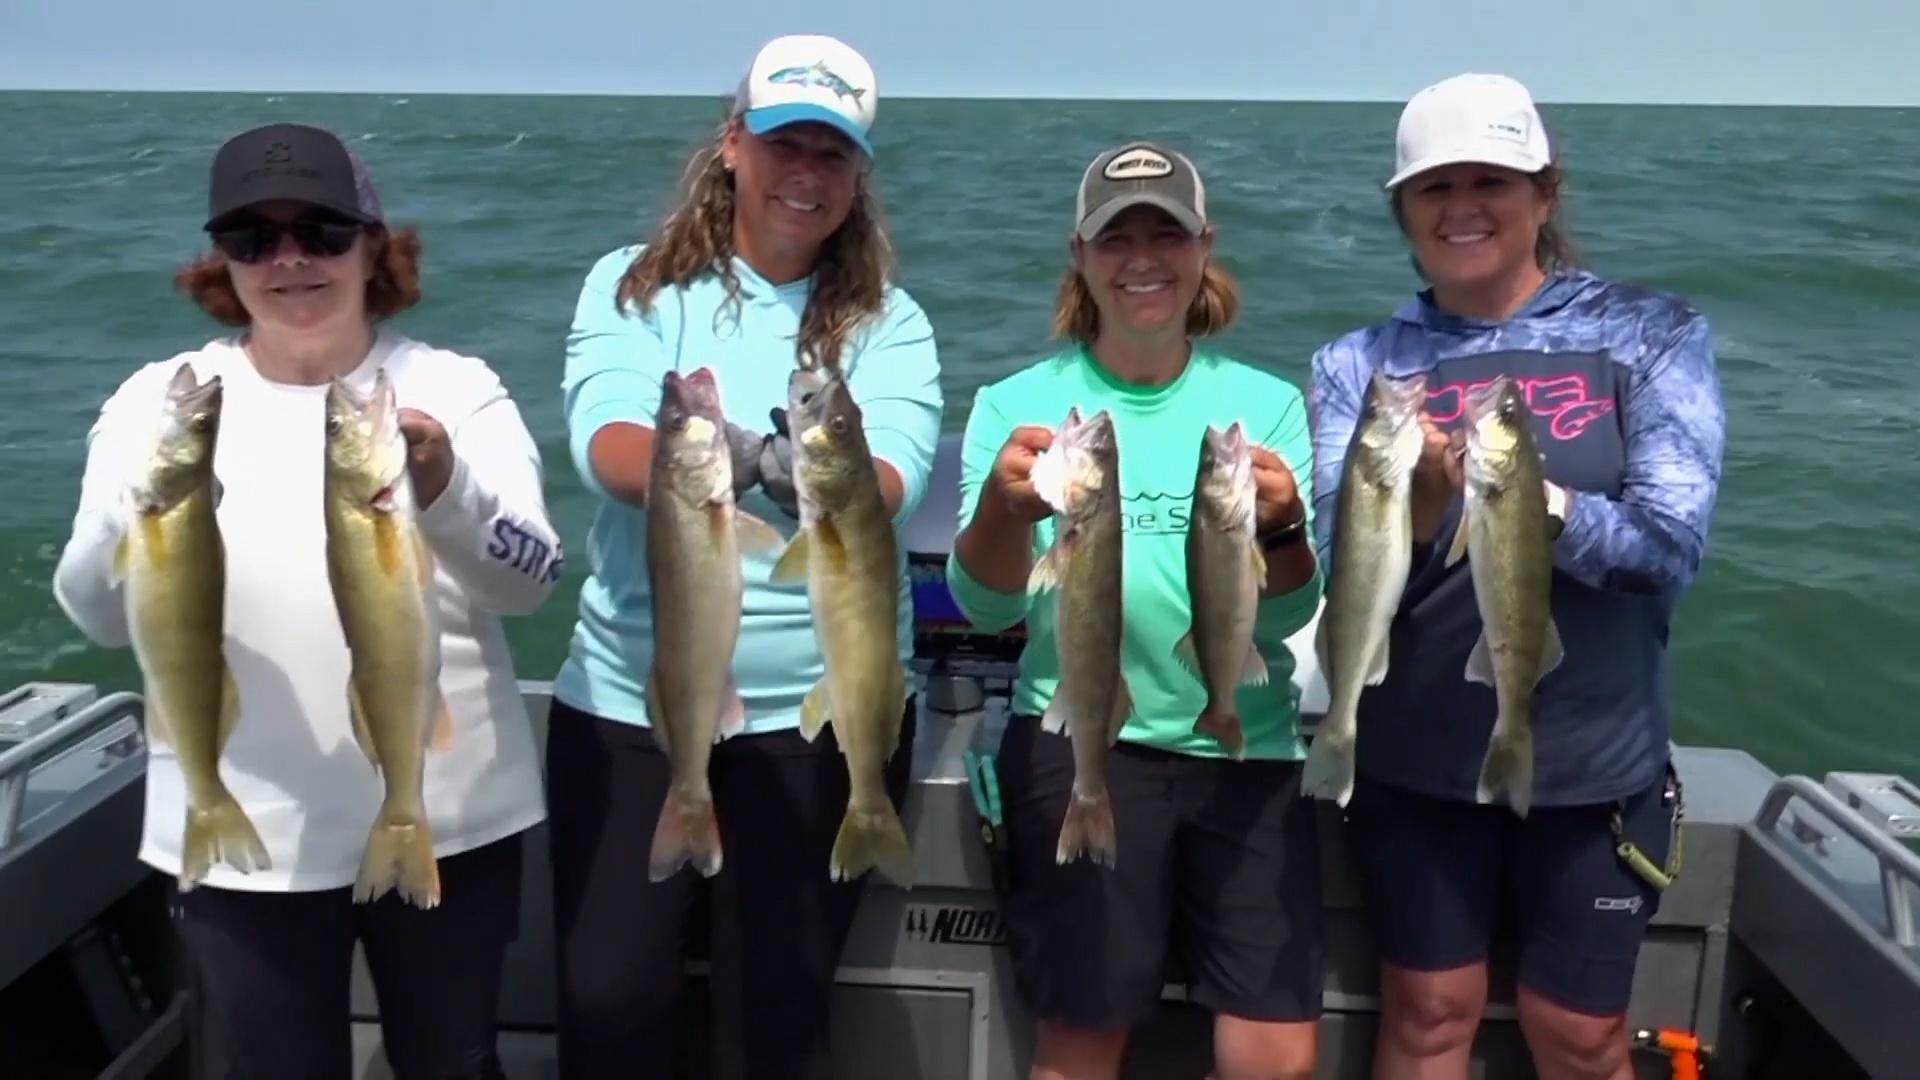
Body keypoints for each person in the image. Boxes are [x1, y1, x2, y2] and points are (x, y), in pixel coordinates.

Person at [50, 121, 562, 1080]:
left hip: (449, 819)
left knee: (455, 1063)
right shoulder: (157, 405)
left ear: (375, 244)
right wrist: (128, 517)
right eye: (253, 238)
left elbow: (529, 579)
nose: (290, 259)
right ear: (223, 262)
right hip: (244, 831)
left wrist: (448, 485)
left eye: (322, 232)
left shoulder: (455, 389)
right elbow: (94, 614)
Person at [1307, 72, 1726, 1080]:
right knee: (1429, 1015)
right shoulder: (1359, 365)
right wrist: (1417, 502)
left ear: (1545, 193)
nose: (1462, 208)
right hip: (1418, 761)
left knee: (1580, 1036)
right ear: (1402, 208)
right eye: (1434, 187)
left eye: (1490, 180)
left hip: (1597, 763)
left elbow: (1670, 548)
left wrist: (1530, 495)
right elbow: (1345, 566)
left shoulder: (1650, 335)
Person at [548, 32, 944, 1080]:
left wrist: (790, 461)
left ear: (859, 177)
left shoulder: (890, 324)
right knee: (608, 993)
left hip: (820, 714)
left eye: (832, 155)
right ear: (733, 145)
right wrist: (708, 454)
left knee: (781, 1010)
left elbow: (892, 483)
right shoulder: (632, 288)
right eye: (783, 145)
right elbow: (608, 445)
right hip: (637, 704)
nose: (804, 176)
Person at [948, 142, 1326, 1080]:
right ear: (1080, 254)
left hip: (1245, 746)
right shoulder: (1017, 405)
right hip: (1081, 746)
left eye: (1167, 233)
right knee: (1080, 1040)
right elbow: (986, 605)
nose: (1143, 258)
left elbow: (1287, 615)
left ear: (1206, 246)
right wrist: (1004, 508)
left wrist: (1281, 534)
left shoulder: (1266, 407)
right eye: (1119, 238)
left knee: (1275, 1051)